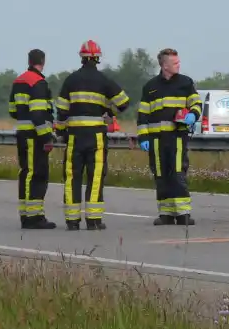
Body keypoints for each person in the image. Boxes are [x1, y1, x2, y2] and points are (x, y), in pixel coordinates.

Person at [54, 40, 131, 231]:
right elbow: (124, 102)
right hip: (96, 136)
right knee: (95, 176)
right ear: (97, 58)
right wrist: (108, 111)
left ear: (81, 57)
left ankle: (72, 221)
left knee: (73, 176)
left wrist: (62, 132)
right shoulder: (104, 80)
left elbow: (61, 110)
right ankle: (93, 220)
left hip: (75, 137)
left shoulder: (70, 80)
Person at [136, 48, 203, 226]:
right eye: (174, 63)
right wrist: (143, 138)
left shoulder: (185, 83)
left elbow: (196, 103)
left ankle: (183, 213)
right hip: (156, 140)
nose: (178, 65)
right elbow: (143, 115)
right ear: (164, 65)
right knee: (161, 175)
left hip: (177, 138)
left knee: (178, 174)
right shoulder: (150, 87)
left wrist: (193, 116)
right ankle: (165, 213)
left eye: (178, 62)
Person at [9, 48, 56, 229]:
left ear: (29, 60)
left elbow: (12, 111)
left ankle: (27, 214)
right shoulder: (38, 82)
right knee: (35, 174)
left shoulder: (18, 81)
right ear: (43, 61)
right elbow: (38, 114)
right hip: (34, 136)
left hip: (23, 132)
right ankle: (33, 217)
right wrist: (47, 137)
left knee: (27, 173)